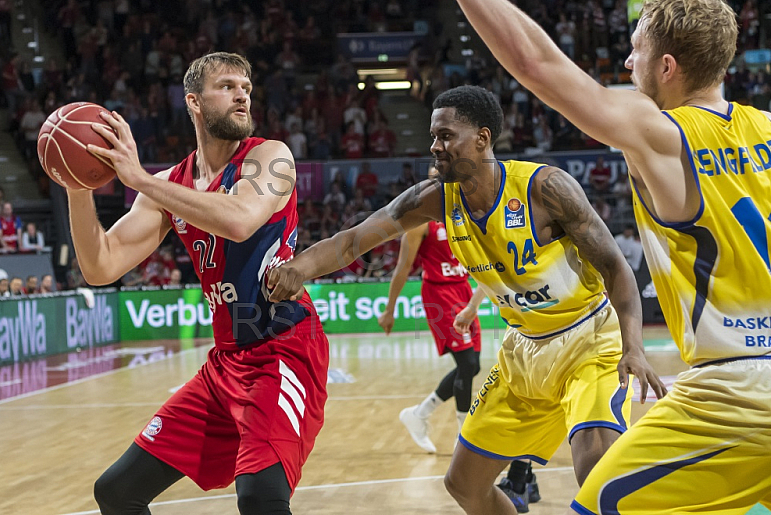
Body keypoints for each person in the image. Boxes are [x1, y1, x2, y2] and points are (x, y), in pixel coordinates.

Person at [443, 0, 771, 514]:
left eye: (636, 49)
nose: (626, 60)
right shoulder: (767, 130)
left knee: (598, 505)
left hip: (733, 394)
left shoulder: (663, 133)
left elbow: (534, 62)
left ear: (667, 67)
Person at [267, 86, 665, 515]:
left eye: (445, 136)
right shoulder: (435, 198)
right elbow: (353, 241)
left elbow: (616, 269)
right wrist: (299, 268)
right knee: (463, 485)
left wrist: (634, 348)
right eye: (433, 136)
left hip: (588, 340)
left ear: (482, 138)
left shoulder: (545, 188)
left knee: (597, 471)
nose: (435, 147)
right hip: (524, 349)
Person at [73, 52, 328, 515]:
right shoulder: (172, 182)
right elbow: (100, 266)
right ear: (194, 101)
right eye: (228, 86)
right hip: (225, 363)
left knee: (261, 498)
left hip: (284, 349)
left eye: (246, 87)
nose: (242, 94)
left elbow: (239, 221)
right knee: (116, 492)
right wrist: (76, 186)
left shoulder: (270, 157)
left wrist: (138, 179)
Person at [377, 167, 483, 453]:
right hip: (439, 294)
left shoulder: (463, 214)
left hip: (464, 289)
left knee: (472, 366)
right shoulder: (419, 222)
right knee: (467, 365)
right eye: (435, 178)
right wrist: (389, 310)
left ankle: (419, 414)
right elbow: (402, 268)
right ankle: (465, 439)